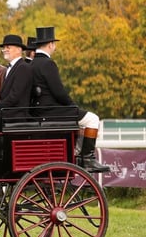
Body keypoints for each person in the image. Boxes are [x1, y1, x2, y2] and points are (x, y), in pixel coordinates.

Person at [31, 26, 109, 173]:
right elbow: (59, 92)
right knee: (92, 119)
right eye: (54, 44)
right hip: (51, 111)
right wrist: (73, 106)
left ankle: (78, 153)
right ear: (50, 44)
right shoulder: (48, 64)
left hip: (39, 111)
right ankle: (88, 158)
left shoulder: (32, 63)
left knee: (83, 121)